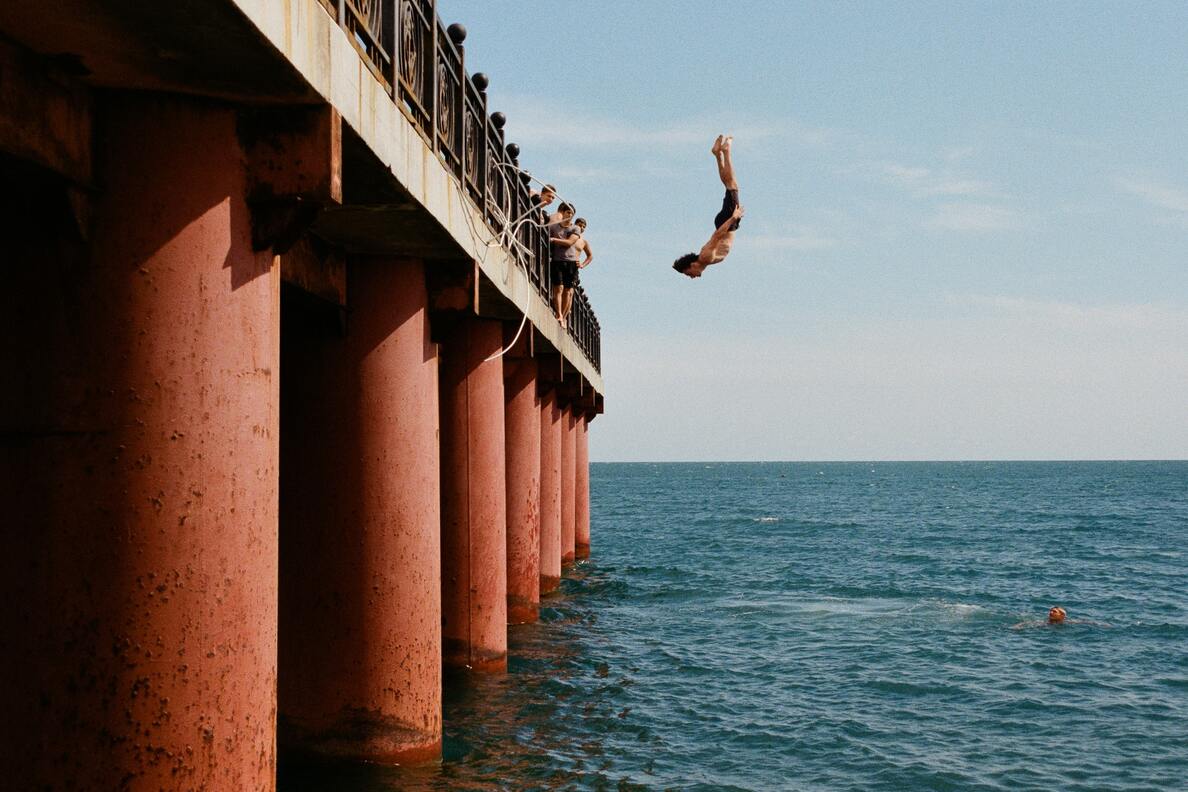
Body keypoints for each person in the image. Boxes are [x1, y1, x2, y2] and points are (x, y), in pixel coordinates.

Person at [673, 134, 745, 278]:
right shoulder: (706, 260)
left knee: (732, 185)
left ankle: (726, 151)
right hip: (725, 223)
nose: (692, 277)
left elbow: (717, 235)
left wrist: (733, 218)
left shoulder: (705, 257)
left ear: (692, 265)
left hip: (727, 223)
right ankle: (718, 154)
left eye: (689, 274)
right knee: (729, 185)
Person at [548, 202, 581, 324]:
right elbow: (546, 226)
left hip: (571, 262)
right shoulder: (554, 227)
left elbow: (569, 242)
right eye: (568, 212)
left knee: (568, 291)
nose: (570, 215)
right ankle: (559, 314)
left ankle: (564, 316)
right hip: (557, 261)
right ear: (563, 213)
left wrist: (553, 239)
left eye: (572, 214)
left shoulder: (575, 228)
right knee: (558, 288)